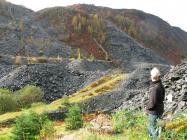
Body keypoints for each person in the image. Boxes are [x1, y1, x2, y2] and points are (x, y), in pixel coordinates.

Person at [146, 67, 165, 140]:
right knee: (157, 129)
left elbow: (152, 103)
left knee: (153, 129)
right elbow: (162, 98)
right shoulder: (161, 85)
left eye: (151, 76)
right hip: (160, 110)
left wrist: (147, 108)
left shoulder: (154, 88)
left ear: (153, 77)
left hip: (154, 112)